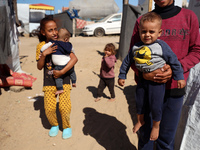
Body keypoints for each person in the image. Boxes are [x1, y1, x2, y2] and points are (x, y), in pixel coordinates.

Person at [121, 0, 200, 149]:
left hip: (174, 90)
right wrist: (145, 74)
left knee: (166, 140)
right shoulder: (142, 21)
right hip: (147, 88)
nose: (147, 34)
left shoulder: (189, 17)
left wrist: (178, 68)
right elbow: (132, 55)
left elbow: (197, 50)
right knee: (146, 138)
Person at [118, 12, 186, 141]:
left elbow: (174, 61)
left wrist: (179, 77)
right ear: (139, 32)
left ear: (159, 33)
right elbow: (127, 61)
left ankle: (156, 126)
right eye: (144, 31)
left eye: (151, 32)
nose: (147, 35)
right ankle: (140, 121)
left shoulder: (161, 46)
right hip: (142, 81)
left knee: (156, 105)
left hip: (157, 83)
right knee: (139, 102)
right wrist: (122, 75)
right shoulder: (136, 46)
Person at [36, 17, 78, 139]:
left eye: (55, 29)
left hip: (64, 79)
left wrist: (62, 72)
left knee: (64, 107)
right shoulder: (41, 46)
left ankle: (66, 126)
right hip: (49, 82)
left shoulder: (62, 43)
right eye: (50, 30)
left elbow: (74, 59)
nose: (54, 32)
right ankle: (54, 125)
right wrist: (44, 54)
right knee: (49, 108)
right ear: (43, 33)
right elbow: (39, 66)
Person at [40, 28, 77, 95]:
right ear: (66, 39)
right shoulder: (69, 44)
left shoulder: (53, 43)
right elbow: (73, 52)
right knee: (72, 71)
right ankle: (74, 81)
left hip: (59, 66)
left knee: (58, 77)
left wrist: (42, 52)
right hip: (68, 65)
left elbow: (43, 48)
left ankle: (60, 89)